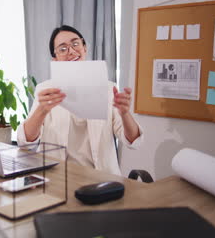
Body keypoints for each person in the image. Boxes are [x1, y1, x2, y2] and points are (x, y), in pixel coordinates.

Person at [17, 25, 143, 175]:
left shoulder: (109, 89)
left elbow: (133, 142)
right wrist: (41, 110)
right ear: (55, 59)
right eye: (62, 49)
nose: (71, 51)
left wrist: (125, 114)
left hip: (102, 179)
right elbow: (25, 141)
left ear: (85, 48)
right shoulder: (45, 90)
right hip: (58, 178)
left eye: (75, 43)